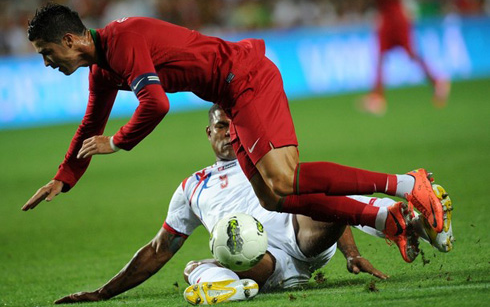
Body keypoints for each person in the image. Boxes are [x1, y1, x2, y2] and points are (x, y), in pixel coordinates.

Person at [23, 3, 448, 263]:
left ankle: (409, 184)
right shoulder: (101, 69)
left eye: (47, 53)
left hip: (244, 78)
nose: (47, 62)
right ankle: (385, 218)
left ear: (70, 39)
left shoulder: (124, 40)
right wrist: (65, 176)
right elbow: (89, 125)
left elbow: (157, 104)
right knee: (272, 196)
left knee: (284, 177)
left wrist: (118, 142)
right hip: (228, 95)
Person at [53, 105, 453, 305]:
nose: (228, 132)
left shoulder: (267, 159)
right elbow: (159, 249)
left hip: (302, 238)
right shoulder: (192, 186)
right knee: (194, 263)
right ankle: (235, 286)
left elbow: (316, 198)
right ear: (208, 133)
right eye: (220, 126)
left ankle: (409, 220)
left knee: (316, 196)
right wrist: (103, 293)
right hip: (258, 261)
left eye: (233, 123)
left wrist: (350, 254)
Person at [360, 0, 451, 115]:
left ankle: (437, 81)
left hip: (396, 18)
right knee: (380, 57)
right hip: (385, 17)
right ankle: (378, 97)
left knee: (410, 53)